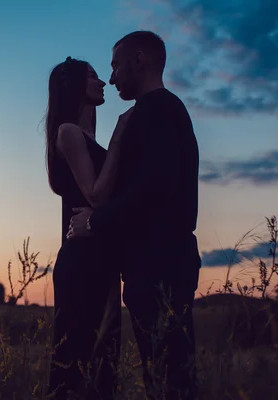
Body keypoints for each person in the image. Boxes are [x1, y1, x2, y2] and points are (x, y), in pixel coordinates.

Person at [68, 31, 202, 400]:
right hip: (163, 264)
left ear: (138, 60)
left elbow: (156, 185)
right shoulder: (161, 109)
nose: (111, 78)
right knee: (168, 375)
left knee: (169, 378)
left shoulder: (154, 109)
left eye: (115, 65)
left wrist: (95, 222)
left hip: (159, 267)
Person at [44, 56, 133, 399]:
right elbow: (96, 195)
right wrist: (121, 136)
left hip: (100, 258)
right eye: (93, 76)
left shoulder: (86, 137)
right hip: (81, 261)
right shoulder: (68, 132)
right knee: (75, 361)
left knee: (103, 362)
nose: (103, 83)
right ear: (74, 87)